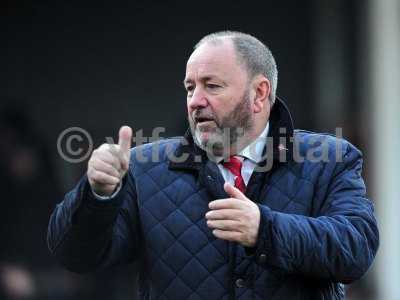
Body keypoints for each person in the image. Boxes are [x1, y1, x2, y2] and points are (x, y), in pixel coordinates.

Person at [47, 31, 379, 299]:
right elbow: (76, 256)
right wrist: (97, 196)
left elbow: (356, 249)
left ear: (259, 93)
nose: (195, 100)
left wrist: (266, 231)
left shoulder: (330, 159)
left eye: (212, 86)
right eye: (190, 88)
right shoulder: (144, 168)